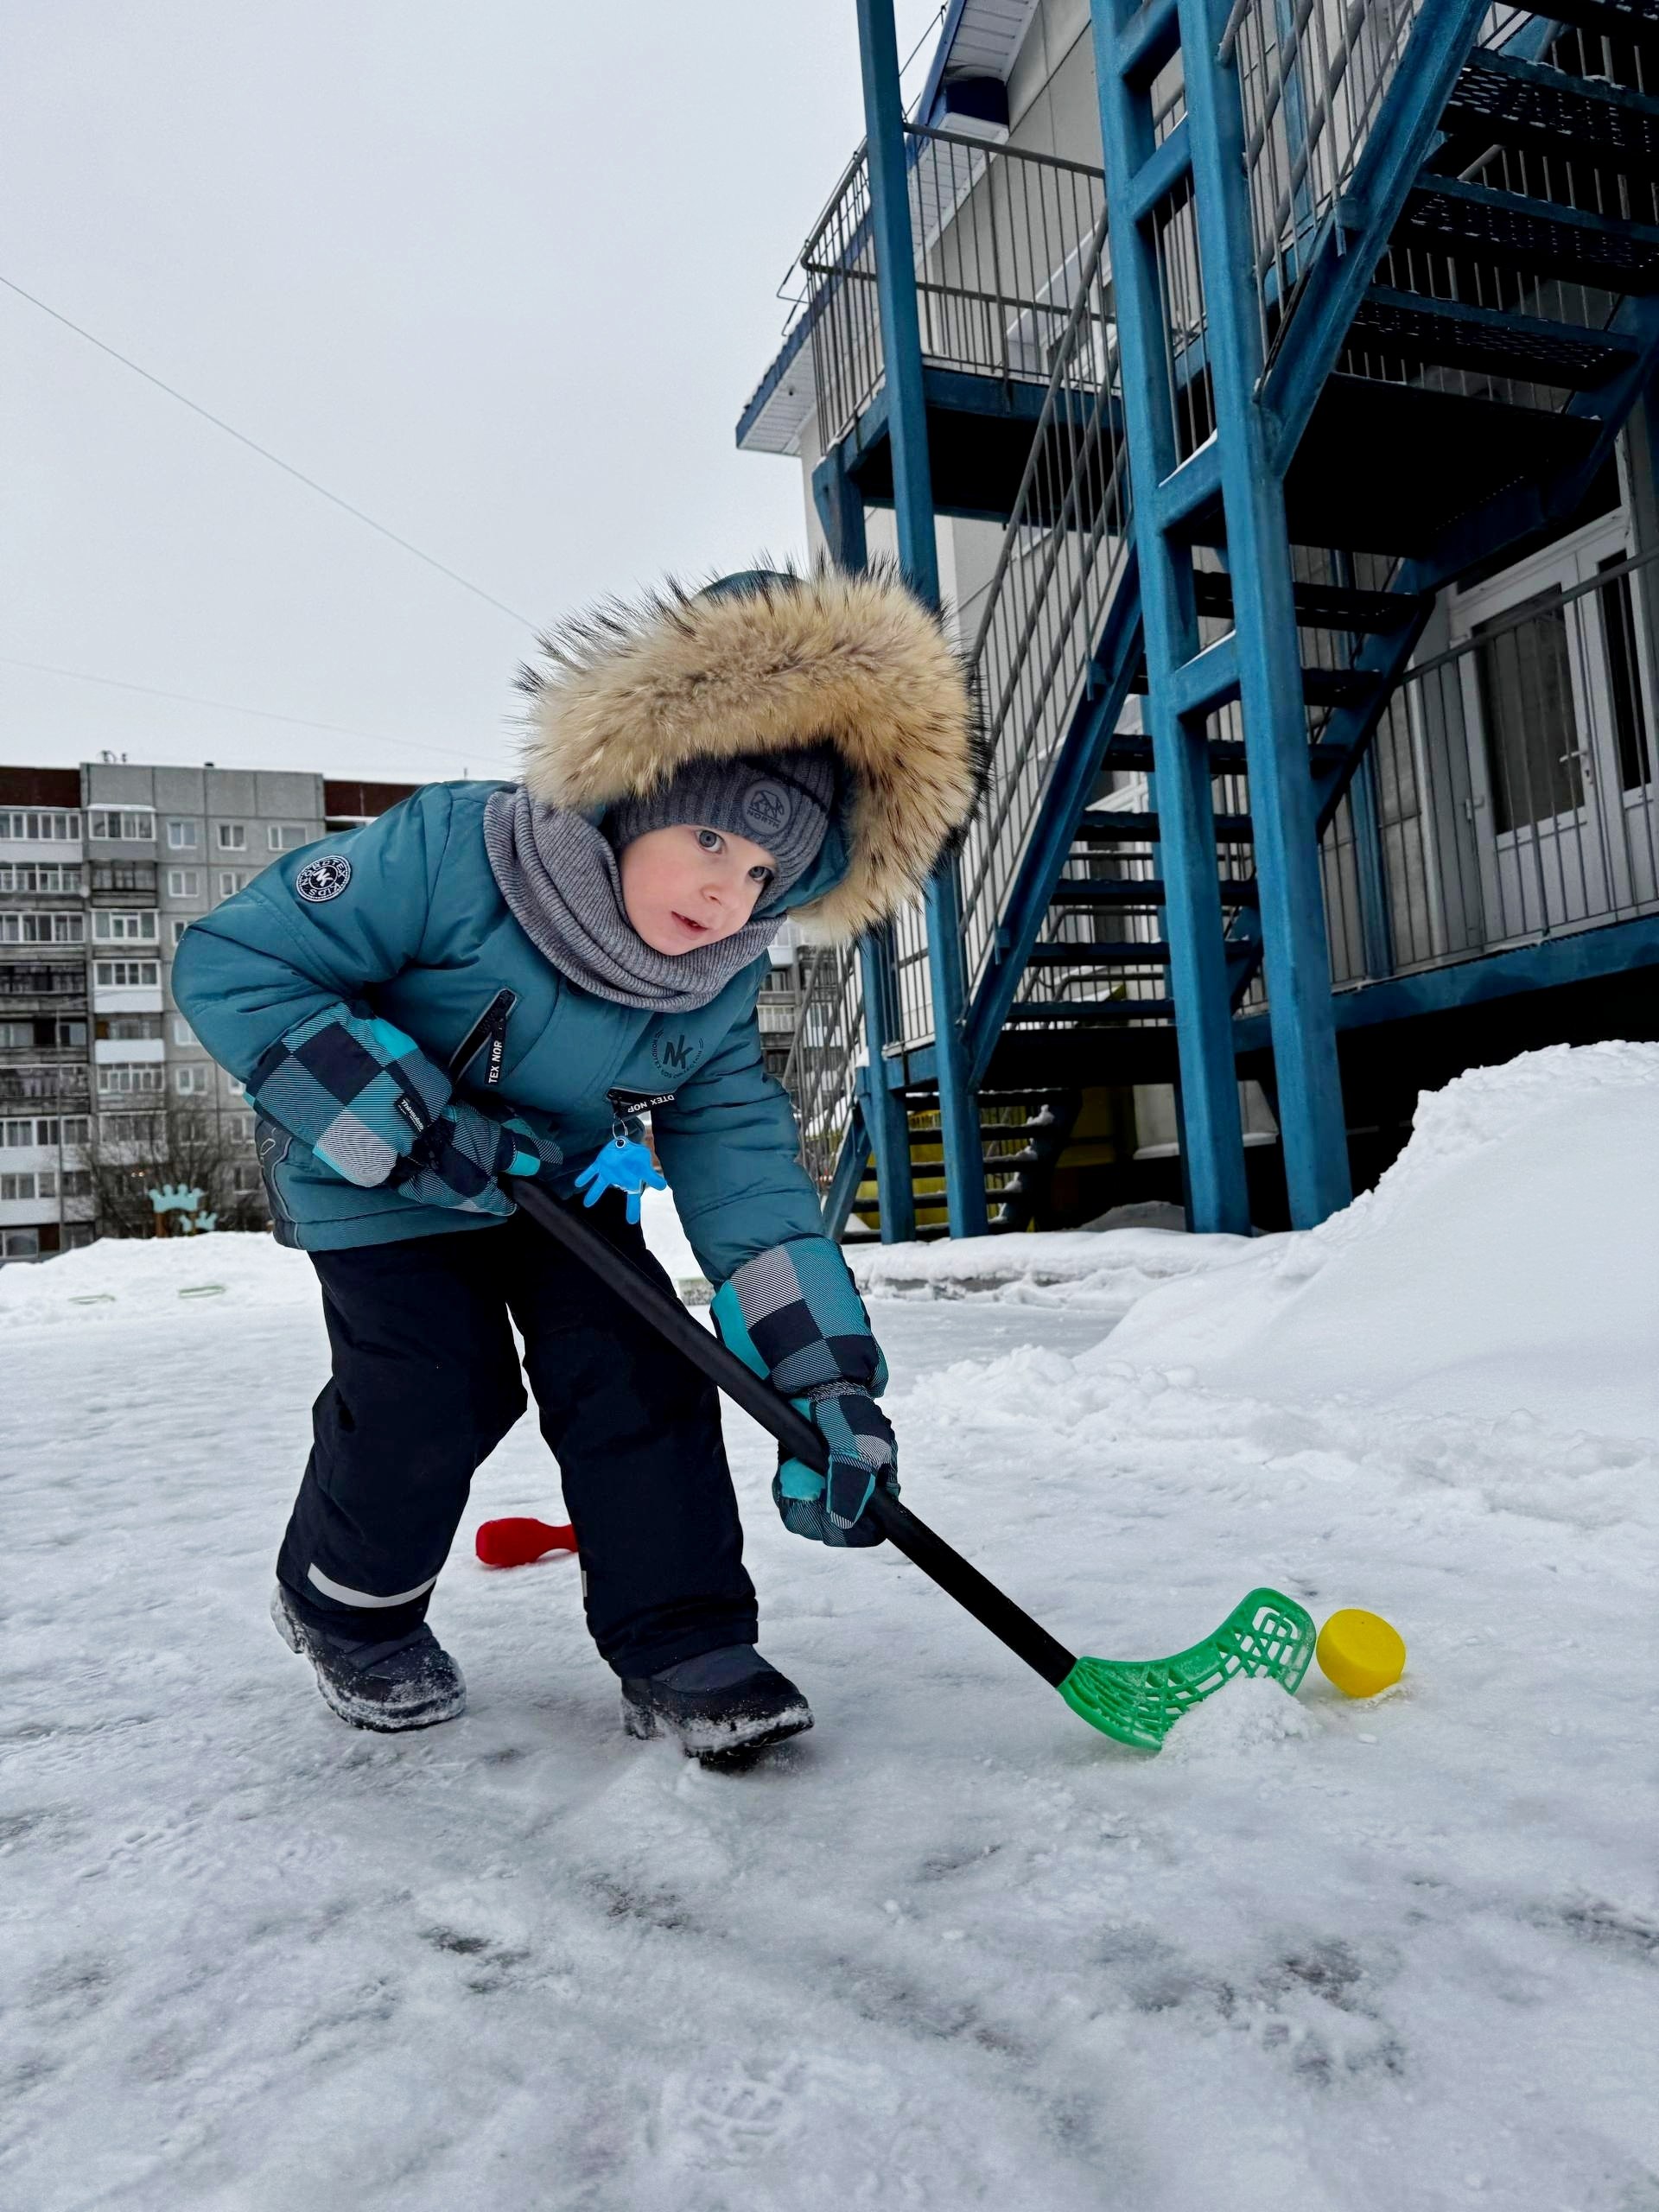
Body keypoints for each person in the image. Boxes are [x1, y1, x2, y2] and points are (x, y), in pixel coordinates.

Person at [172, 566, 980, 1756]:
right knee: (437, 1388)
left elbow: (744, 1174)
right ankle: (348, 1607)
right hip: (375, 1174)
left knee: (643, 1367)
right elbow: (240, 963)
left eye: (765, 873)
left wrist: (825, 1385)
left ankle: (686, 1643)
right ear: (637, 790)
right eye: (711, 837)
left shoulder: (713, 984)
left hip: (555, 1182)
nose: (727, 889)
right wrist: (405, 1123)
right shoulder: (458, 851)